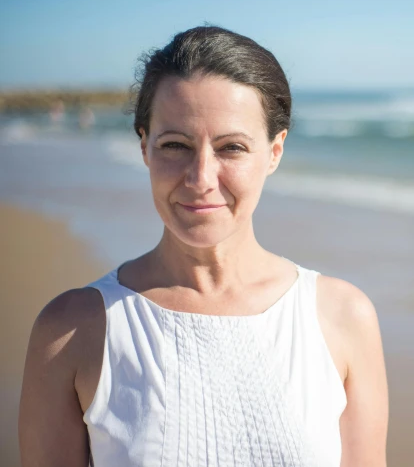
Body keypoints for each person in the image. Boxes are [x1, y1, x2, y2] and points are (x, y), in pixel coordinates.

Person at [18, 26, 389, 466]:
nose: (200, 178)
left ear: (274, 152)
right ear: (144, 147)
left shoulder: (343, 318)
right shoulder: (69, 333)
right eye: (175, 145)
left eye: (231, 147)